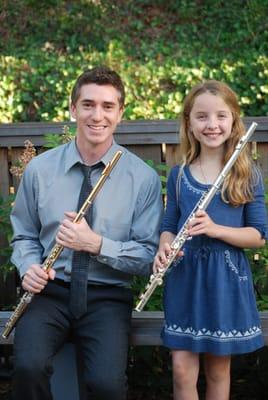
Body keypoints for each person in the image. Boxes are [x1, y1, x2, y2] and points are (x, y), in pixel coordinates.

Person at [10, 66, 163, 400]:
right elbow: (23, 234)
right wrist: (28, 267)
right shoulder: (40, 170)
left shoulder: (143, 178)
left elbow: (148, 256)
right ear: (73, 108)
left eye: (108, 106)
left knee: (107, 385)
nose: (97, 115)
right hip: (49, 292)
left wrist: (96, 244)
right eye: (88, 104)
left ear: (120, 113)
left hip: (107, 296)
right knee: (27, 367)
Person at [153, 80, 267, 400]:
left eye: (221, 116)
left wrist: (216, 229)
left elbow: (258, 235)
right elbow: (169, 224)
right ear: (189, 123)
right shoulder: (179, 175)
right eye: (201, 116)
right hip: (185, 278)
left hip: (225, 279)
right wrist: (165, 244)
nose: (212, 124)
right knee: (181, 370)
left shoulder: (246, 175)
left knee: (218, 371)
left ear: (233, 122)